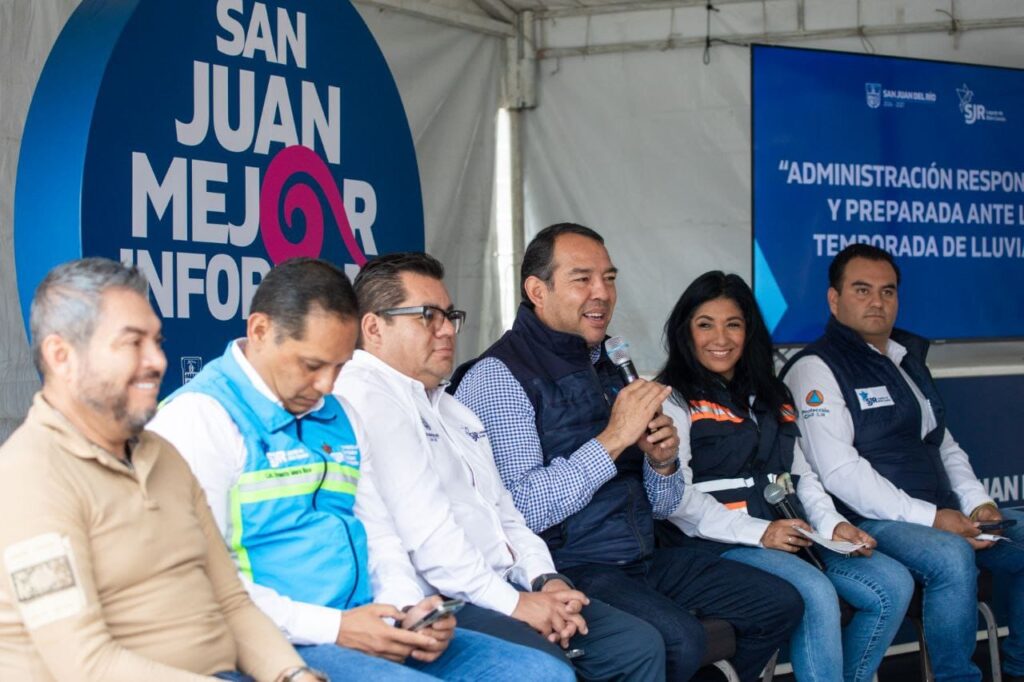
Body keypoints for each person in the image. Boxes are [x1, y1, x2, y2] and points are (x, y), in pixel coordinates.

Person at [148, 257, 564, 681]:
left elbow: (379, 537)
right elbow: (201, 584)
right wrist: (337, 628)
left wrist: (406, 610)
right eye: (312, 365)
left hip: (365, 621)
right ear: (259, 331)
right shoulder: (200, 418)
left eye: (339, 366)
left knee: (543, 674)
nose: (327, 385)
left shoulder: (339, 413)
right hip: (275, 639)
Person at [452, 223, 804, 681]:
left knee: (778, 604)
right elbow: (520, 511)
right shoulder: (499, 376)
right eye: (582, 279)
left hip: (643, 552)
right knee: (678, 639)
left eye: (609, 278)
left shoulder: (612, 364)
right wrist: (613, 440)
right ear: (537, 291)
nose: (602, 293)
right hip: (571, 564)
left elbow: (663, 505)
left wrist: (662, 461)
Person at [336, 251, 664, 680]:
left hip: (505, 584)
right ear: (374, 327)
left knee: (637, 646)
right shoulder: (364, 398)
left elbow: (505, 513)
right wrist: (516, 604)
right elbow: (430, 540)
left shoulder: (451, 409)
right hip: (445, 599)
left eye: (450, 316)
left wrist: (545, 580)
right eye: (427, 316)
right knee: (548, 670)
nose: (446, 330)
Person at [0, 258, 314, 681]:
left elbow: (232, 603)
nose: (158, 361)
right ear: (62, 356)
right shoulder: (29, 478)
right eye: (133, 342)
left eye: (157, 341)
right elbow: (85, 666)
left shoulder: (163, 455)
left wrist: (293, 675)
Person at [654, 270, 914, 682]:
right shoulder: (671, 398)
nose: (720, 338)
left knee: (893, 583)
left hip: (792, 535)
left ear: (749, 332)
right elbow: (676, 501)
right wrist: (761, 533)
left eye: (733, 324)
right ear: (685, 331)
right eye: (705, 325)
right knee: (816, 594)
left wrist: (833, 524)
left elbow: (802, 475)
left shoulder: (772, 393)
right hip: (717, 545)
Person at [781, 243, 1024, 682]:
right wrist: (932, 518)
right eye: (862, 290)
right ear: (834, 299)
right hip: (867, 520)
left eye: (887, 291)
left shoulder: (905, 359)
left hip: (937, 512)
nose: (877, 301)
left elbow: (943, 444)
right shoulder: (814, 368)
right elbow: (838, 471)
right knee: (950, 556)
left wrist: (977, 503)